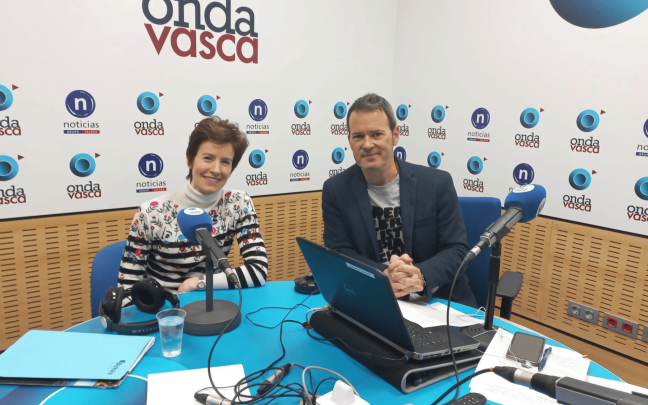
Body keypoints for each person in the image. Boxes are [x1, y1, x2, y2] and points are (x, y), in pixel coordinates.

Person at [322, 93, 477, 307]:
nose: (367, 144)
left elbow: (456, 249)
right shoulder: (336, 189)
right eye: (358, 136)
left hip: (439, 301)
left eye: (377, 134)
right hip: (376, 297)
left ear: (395, 135)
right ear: (349, 141)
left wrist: (420, 275)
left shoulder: (436, 184)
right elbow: (338, 252)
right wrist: (383, 275)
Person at [117, 117, 268, 301]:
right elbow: (127, 290)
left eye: (225, 162)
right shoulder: (150, 213)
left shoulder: (238, 203)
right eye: (208, 158)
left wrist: (196, 283)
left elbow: (258, 270)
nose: (216, 169)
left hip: (211, 303)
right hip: (162, 310)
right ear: (190, 160)